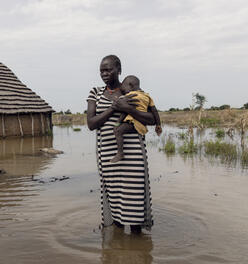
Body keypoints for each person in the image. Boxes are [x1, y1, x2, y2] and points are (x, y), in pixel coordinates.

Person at [87, 55, 154, 233]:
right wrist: (114, 108)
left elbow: (152, 119)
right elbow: (91, 124)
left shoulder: (133, 91)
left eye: (108, 69)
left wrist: (129, 108)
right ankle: (118, 251)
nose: (104, 73)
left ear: (119, 70)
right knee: (115, 201)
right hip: (108, 155)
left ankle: (137, 249)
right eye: (102, 70)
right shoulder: (95, 92)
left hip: (133, 154)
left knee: (134, 203)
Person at [110, 75, 162, 163]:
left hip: (133, 122)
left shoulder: (130, 96)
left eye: (124, 89)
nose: (124, 92)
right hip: (141, 124)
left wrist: (118, 123)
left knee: (117, 131)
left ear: (131, 86)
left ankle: (120, 153)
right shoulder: (147, 96)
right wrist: (158, 125)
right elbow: (155, 112)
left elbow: (125, 111)